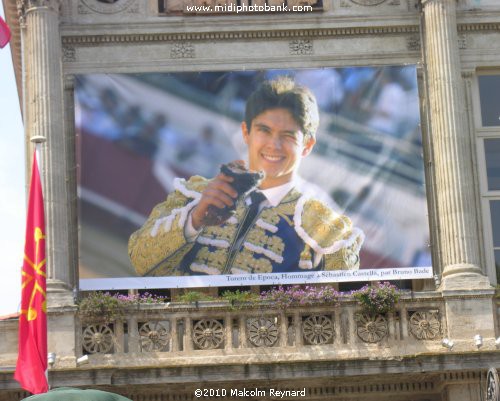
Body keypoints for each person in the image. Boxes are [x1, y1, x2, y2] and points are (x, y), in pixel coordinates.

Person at [128, 77, 364, 276]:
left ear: (307, 146)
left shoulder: (326, 230)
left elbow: (339, 310)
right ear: (246, 132)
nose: (274, 144)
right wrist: (193, 220)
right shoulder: (195, 196)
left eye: (288, 135)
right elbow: (141, 263)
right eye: (264, 130)